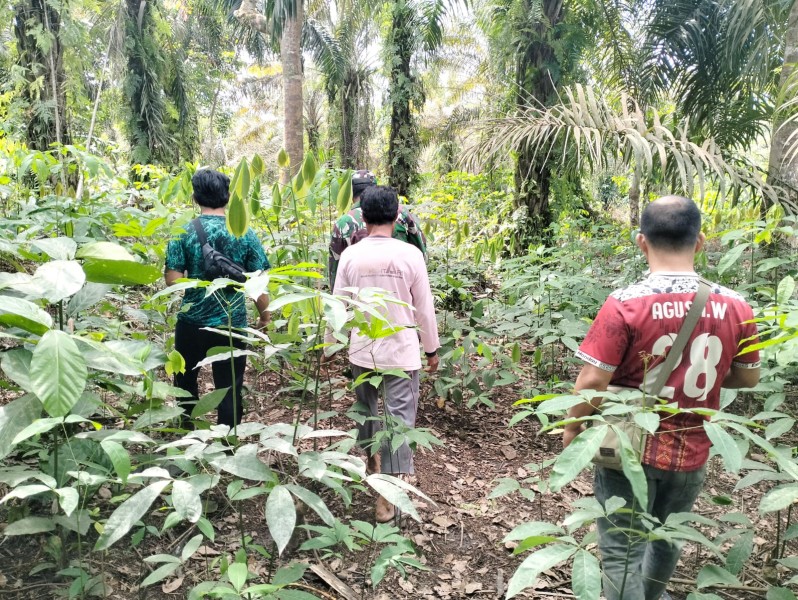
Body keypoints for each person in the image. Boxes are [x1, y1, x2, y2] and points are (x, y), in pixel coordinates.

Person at [563, 196, 760, 600]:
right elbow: (748, 377)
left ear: (642, 241)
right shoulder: (738, 306)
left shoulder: (625, 304)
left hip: (629, 447)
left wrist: (572, 431)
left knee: (621, 551)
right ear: (700, 241)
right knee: (668, 538)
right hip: (694, 447)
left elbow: (593, 380)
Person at [325, 185, 440, 522]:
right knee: (399, 420)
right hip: (402, 352)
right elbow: (424, 307)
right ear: (396, 215)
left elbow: (338, 305)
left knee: (366, 411)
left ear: (363, 216)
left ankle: (372, 463)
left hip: (362, 350)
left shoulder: (351, 255)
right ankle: (387, 496)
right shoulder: (410, 254)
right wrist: (431, 349)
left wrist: (330, 344)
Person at [165, 169, 270, 428]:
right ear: (228, 196)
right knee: (230, 386)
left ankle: (188, 432)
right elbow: (258, 282)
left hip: (192, 322)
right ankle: (228, 441)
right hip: (232, 322)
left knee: (185, 381)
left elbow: (172, 279)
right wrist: (265, 316)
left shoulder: (183, 231)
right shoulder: (245, 232)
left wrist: (198, 282)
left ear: (195, 196)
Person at [328, 170, 427, 290]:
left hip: (361, 291)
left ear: (351, 192)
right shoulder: (400, 212)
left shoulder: (343, 222)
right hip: (401, 286)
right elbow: (420, 247)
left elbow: (336, 268)